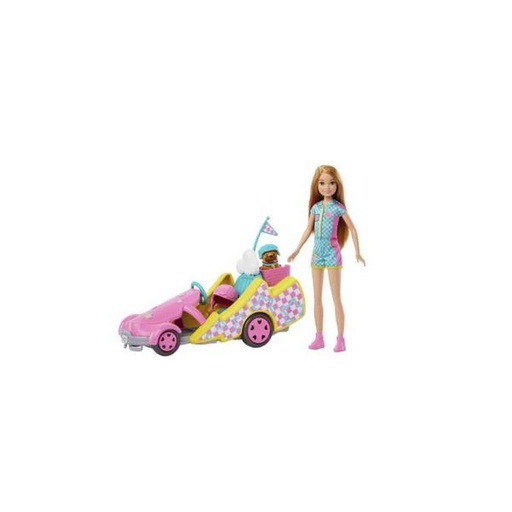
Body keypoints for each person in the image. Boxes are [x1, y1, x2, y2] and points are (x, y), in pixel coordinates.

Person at [288, 165, 366, 352]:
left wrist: (357, 252)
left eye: (331, 183)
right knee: (317, 298)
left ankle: (340, 339)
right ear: (317, 185)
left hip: (332, 254)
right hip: (317, 254)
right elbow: (308, 230)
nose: (327, 187)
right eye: (322, 183)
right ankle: (319, 337)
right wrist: (297, 249)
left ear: (337, 185)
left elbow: (353, 229)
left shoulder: (338, 208)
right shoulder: (315, 208)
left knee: (336, 297)